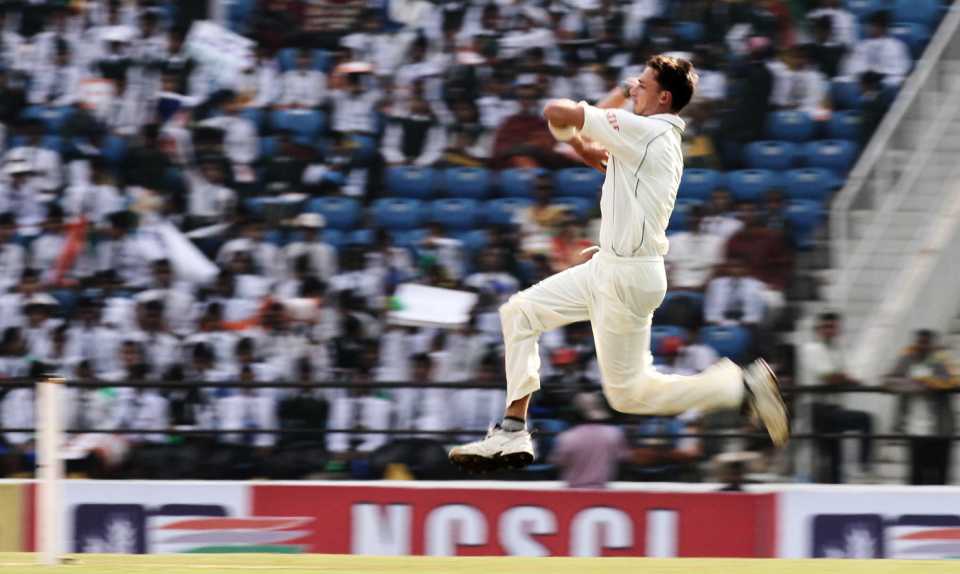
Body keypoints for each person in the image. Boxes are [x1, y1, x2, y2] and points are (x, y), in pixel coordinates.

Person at [449, 55, 788, 473]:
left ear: (663, 97)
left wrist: (602, 105)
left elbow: (556, 112)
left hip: (627, 274)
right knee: (519, 312)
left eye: (642, 85)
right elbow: (586, 149)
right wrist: (578, 131)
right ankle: (512, 430)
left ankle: (738, 386)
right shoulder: (644, 138)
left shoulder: (646, 132)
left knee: (626, 395)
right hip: (612, 267)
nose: (634, 88)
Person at [799, 312, 874, 483]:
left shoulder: (838, 349)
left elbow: (846, 375)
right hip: (818, 408)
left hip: (834, 408)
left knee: (834, 454)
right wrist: (846, 378)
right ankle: (864, 466)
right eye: (826, 327)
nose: (830, 331)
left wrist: (845, 378)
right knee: (864, 421)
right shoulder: (812, 348)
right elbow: (830, 377)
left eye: (833, 327)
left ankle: (839, 482)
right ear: (819, 329)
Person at [888, 329, 956, 485]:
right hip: (915, 429)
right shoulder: (908, 359)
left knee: (940, 476)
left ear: (932, 345)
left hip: (940, 428)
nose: (923, 347)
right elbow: (889, 381)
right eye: (920, 343)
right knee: (916, 477)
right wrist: (915, 385)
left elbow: (954, 380)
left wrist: (931, 383)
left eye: (926, 343)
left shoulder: (941, 359)